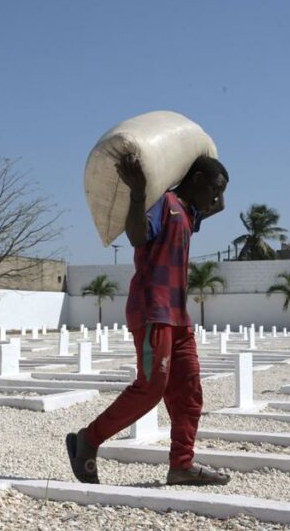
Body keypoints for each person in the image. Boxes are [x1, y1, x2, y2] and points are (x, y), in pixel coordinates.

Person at [66, 153, 230, 486]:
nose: (215, 198)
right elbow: (137, 237)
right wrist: (139, 192)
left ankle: (181, 464)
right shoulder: (164, 203)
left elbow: (220, 206)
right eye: (212, 189)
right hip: (153, 310)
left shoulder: (188, 211)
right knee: (151, 386)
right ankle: (87, 440)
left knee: (189, 391)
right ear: (196, 180)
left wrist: (208, 155)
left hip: (178, 315)